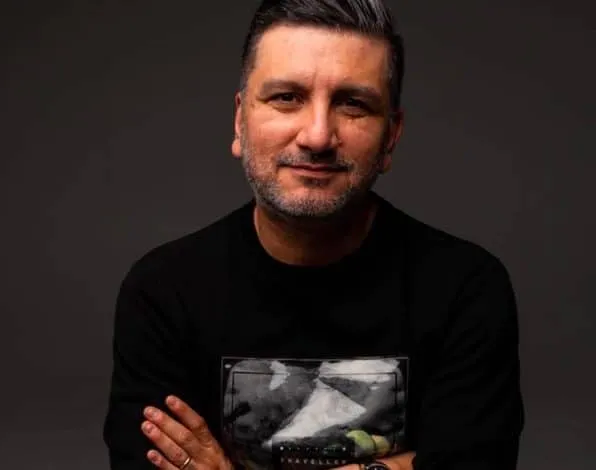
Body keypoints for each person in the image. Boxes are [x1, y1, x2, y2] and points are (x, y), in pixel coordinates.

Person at [102, 0, 524, 469]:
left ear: (391, 136)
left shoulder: (464, 289)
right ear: (240, 121)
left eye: (353, 104)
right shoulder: (164, 292)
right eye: (287, 97)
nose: (318, 136)